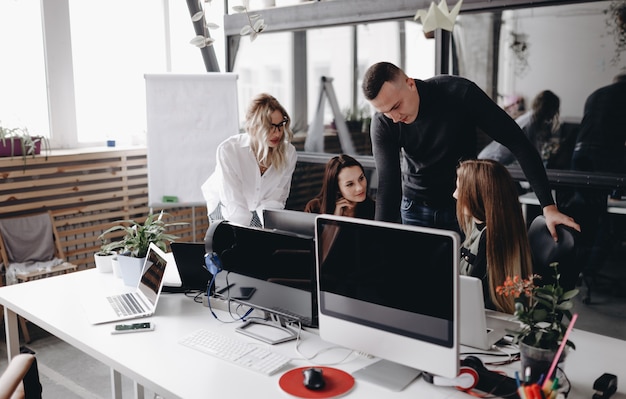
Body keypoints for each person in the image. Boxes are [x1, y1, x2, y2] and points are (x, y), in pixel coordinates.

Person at [361, 61, 579, 240]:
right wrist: (382, 239)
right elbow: (388, 185)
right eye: (385, 112)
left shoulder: (458, 93)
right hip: (415, 207)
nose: (395, 118)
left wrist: (548, 206)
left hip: (465, 206)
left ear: (410, 84)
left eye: (396, 106)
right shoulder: (383, 123)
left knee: (468, 281)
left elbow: (517, 141)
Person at [201, 93, 297, 227]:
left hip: (259, 208)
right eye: (270, 127)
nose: (277, 133)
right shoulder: (229, 150)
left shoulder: (289, 153)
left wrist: (264, 228)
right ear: (253, 126)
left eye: (281, 125)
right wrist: (244, 234)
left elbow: (276, 199)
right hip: (225, 206)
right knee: (228, 243)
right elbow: (233, 201)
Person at [453, 159, 533, 313]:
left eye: (460, 189)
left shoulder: (489, 237)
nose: (455, 195)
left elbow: (472, 295)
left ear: (476, 195)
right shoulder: (475, 227)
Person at [479, 90, 561, 167]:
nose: (554, 114)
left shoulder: (532, 120)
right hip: (490, 161)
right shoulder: (529, 123)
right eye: (554, 109)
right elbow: (530, 155)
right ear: (548, 108)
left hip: (492, 160)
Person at [304, 154, 375, 219]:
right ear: (337, 188)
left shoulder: (374, 209)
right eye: (350, 184)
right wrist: (335, 219)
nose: (360, 188)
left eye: (361, 178)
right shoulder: (314, 208)